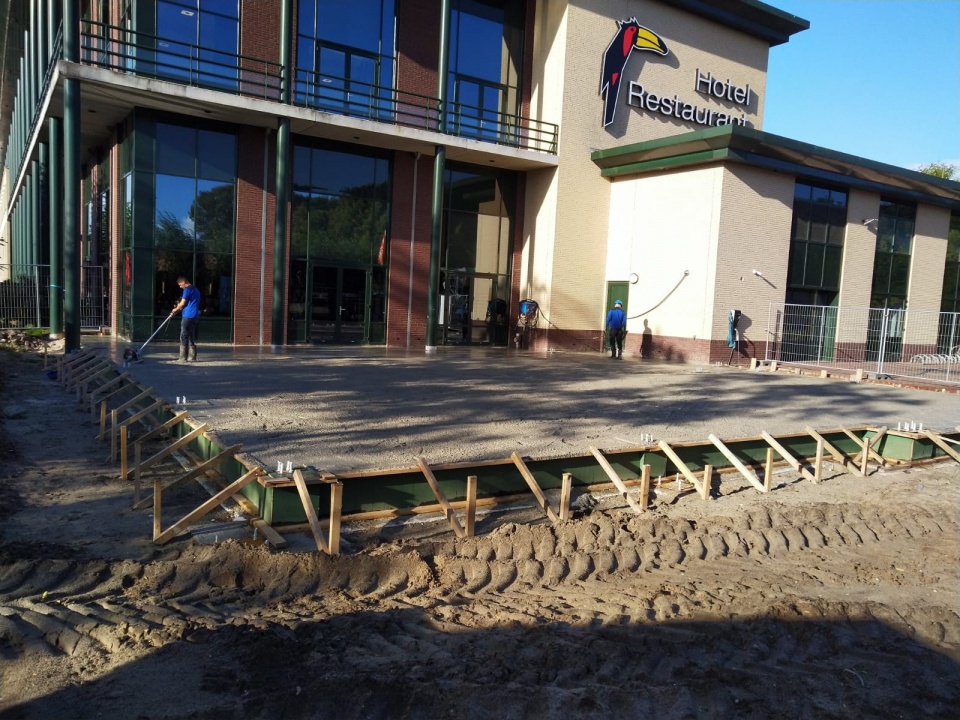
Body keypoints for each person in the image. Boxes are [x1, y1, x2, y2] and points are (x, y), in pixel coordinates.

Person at [170, 276, 201, 362]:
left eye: (180, 285)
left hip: (188, 315)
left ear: (183, 282)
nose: (180, 287)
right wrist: (177, 311)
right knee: (190, 334)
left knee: (183, 335)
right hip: (195, 315)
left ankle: (183, 357)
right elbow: (189, 304)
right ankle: (192, 356)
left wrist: (175, 309)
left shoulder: (187, 290)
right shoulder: (196, 290)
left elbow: (183, 303)